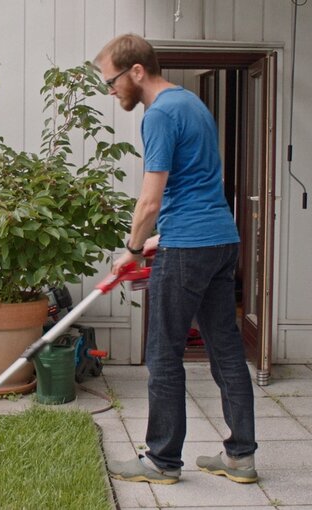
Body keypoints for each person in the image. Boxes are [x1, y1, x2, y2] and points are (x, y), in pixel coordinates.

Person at [95, 34, 258, 485]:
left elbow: (151, 199)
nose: (111, 91)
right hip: (221, 240)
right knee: (225, 349)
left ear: (137, 72)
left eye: (111, 82)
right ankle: (241, 457)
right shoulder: (192, 104)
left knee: (163, 353)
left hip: (189, 247)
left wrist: (130, 249)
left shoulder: (160, 114)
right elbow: (198, 186)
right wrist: (157, 240)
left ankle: (163, 461)